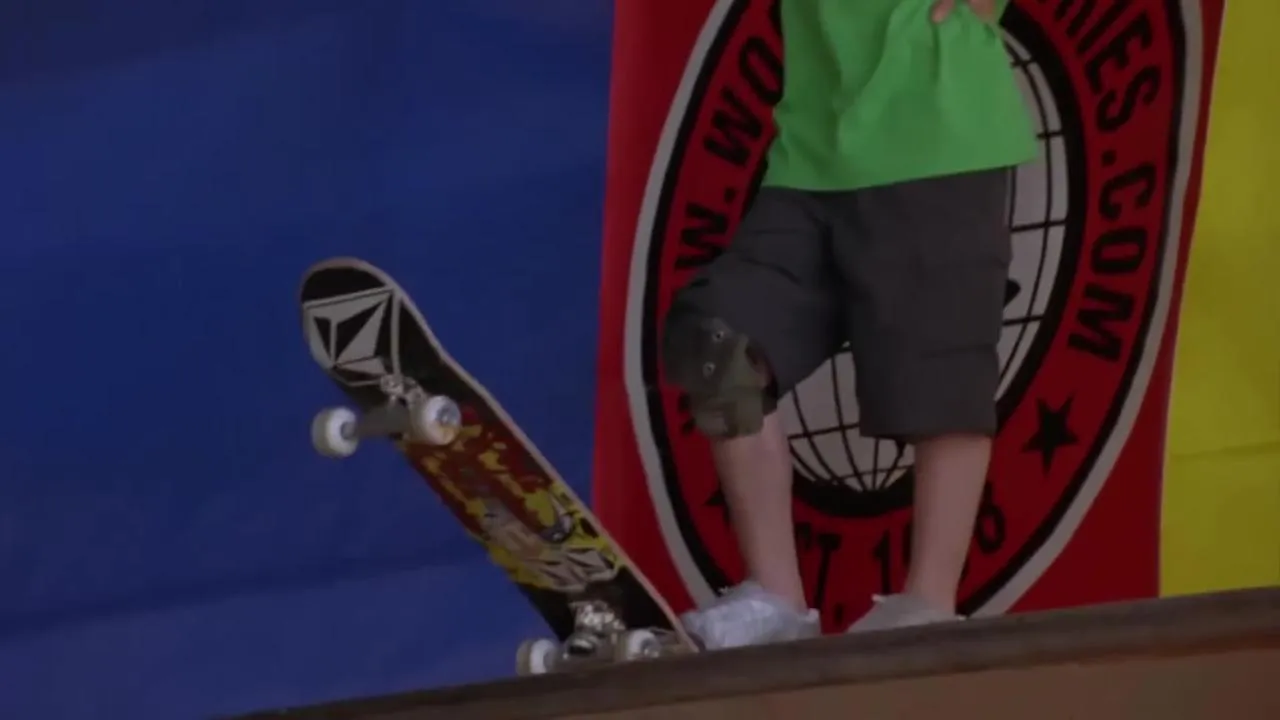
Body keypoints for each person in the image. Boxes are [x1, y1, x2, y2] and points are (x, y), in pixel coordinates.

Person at [661, 0, 1037, 648]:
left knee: (942, 376)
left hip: (937, 142)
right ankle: (775, 596)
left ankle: (928, 604)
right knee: (715, 339)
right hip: (809, 155)